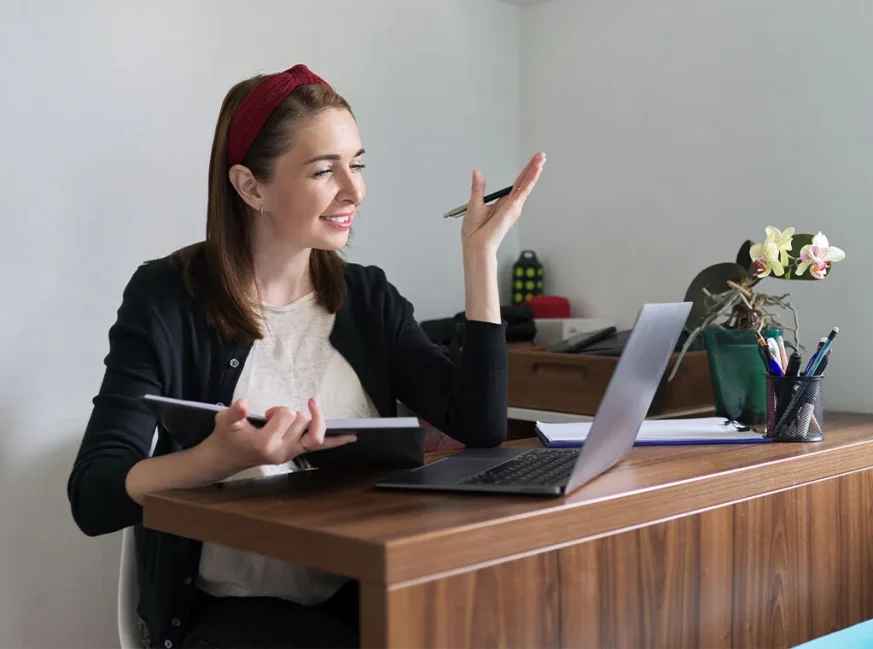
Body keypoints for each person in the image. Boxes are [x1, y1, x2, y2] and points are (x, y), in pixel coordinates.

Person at [67, 63, 545, 649]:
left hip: (362, 594)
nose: (354, 190)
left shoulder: (367, 296)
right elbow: (92, 494)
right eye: (324, 170)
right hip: (234, 616)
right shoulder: (167, 298)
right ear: (251, 187)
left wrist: (480, 258)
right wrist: (214, 458)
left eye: (358, 163)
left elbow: (481, 426)